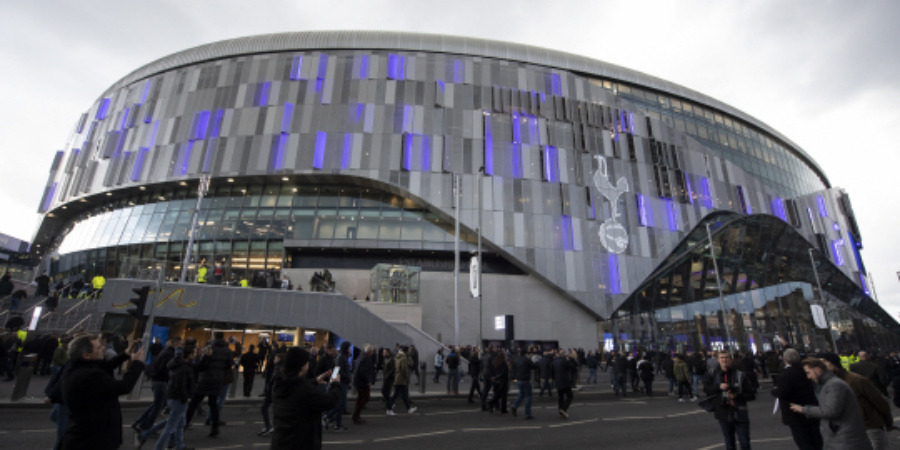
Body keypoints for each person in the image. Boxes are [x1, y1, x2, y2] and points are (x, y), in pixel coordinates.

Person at [59, 335, 145, 450]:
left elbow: (106, 366)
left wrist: (126, 354)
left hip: (86, 435)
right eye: (99, 348)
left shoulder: (79, 368)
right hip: (92, 439)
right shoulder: (90, 376)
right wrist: (136, 363)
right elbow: (124, 387)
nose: (103, 348)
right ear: (86, 355)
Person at [790, 358, 873, 450]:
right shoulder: (827, 385)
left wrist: (804, 409)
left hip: (845, 440)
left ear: (818, 370)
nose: (808, 377)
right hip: (838, 438)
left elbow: (831, 411)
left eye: (808, 373)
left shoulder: (834, 385)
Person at [271, 347, 342, 450]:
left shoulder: (279, 383)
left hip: (280, 440)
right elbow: (329, 401)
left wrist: (315, 381)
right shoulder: (305, 389)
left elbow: (295, 386)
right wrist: (335, 384)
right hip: (301, 442)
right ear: (303, 365)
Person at [818, 352, 892, 450]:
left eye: (824, 361)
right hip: (847, 430)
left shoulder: (856, 380)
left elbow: (880, 402)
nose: (822, 365)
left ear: (834, 362)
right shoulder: (824, 385)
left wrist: (887, 421)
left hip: (868, 426)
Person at [136, 345, 197, 450]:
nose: (196, 354)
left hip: (174, 397)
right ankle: (156, 445)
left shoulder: (178, 365)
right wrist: (185, 397)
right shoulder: (183, 368)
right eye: (194, 352)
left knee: (179, 424)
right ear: (189, 355)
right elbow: (180, 385)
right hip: (178, 399)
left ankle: (179, 446)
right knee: (170, 426)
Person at [770, 349, 822, 450]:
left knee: (803, 442)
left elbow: (782, 392)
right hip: (811, 408)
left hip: (794, 412)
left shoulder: (785, 374)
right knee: (816, 439)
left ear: (784, 359)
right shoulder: (805, 370)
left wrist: (774, 391)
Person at [703, 352, 756, 450]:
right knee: (729, 443)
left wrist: (736, 396)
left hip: (739, 412)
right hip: (723, 412)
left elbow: (751, 394)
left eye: (727, 357)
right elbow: (706, 390)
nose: (724, 360)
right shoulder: (712, 374)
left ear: (731, 359)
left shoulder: (740, 375)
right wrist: (718, 387)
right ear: (718, 360)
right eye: (722, 358)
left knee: (744, 442)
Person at [184, 333, 232, 437]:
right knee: (213, 404)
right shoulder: (227, 350)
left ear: (214, 337)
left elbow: (201, 365)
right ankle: (215, 427)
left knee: (194, 403)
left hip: (205, 378)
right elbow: (229, 364)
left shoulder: (209, 348)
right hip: (218, 379)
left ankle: (185, 423)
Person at [133, 337, 182, 434]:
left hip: (158, 380)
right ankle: (146, 427)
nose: (181, 346)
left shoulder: (166, 351)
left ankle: (139, 422)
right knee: (158, 406)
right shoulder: (169, 354)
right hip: (161, 380)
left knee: (156, 404)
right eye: (180, 344)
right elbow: (164, 369)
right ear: (174, 343)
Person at [325, 341, 351, 431]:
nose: (350, 349)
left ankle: (338, 424)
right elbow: (337, 370)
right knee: (341, 404)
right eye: (349, 348)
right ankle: (327, 416)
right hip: (342, 383)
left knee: (341, 404)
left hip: (343, 382)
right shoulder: (341, 358)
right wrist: (346, 377)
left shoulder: (343, 357)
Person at [258, 351, 284, 436]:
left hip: (273, 392)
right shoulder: (280, 367)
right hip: (275, 392)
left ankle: (269, 426)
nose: (274, 359)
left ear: (279, 359)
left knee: (265, 408)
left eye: (275, 358)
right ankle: (272, 426)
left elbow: (274, 381)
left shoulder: (278, 369)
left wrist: (268, 390)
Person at [386, 346, 416, 415]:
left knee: (403, 394)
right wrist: (406, 377)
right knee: (396, 394)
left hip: (398, 377)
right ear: (407, 351)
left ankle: (409, 408)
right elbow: (404, 369)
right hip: (401, 378)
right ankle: (389, 409)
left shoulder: (398, 356)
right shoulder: (404, 358)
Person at [352, 344, 375, 424]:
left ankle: (356, 414)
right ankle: (356, 414)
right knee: (366, 397)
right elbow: (364, 371)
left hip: (358, 380)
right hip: (362, 382)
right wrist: (368, 381)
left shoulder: (361, 356)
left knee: (360, 397)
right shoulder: (366, 358)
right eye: (372, 351)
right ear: (370, 351)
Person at [511, 347, 536, 419]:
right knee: (528, 396)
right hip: (525, 379)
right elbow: (534, 366)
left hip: (518, 379)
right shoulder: (527, 360)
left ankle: (514, 406)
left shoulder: (516, 359)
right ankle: (527, 414)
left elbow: (513, 369)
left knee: (521, 394)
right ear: (526, 353)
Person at [552, 349, 576, 418]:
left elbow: (552, 372)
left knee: (560, 397)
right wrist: (568, 360)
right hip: (565, 381)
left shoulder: (554, 361)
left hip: (558, 381)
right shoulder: (565, 361)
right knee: (570, 396)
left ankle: (560, 411)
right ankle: (563, 409)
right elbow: (573, 367)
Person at [488, 349, 509, 414]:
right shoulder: (504, 363)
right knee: (503, 395)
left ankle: (492, 403)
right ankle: (503, 408)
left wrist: (493, 377)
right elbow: (504, 372)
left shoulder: (495, 362)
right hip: (502, 380)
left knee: (498, 393)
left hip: (496, 380)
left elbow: (491, 370)